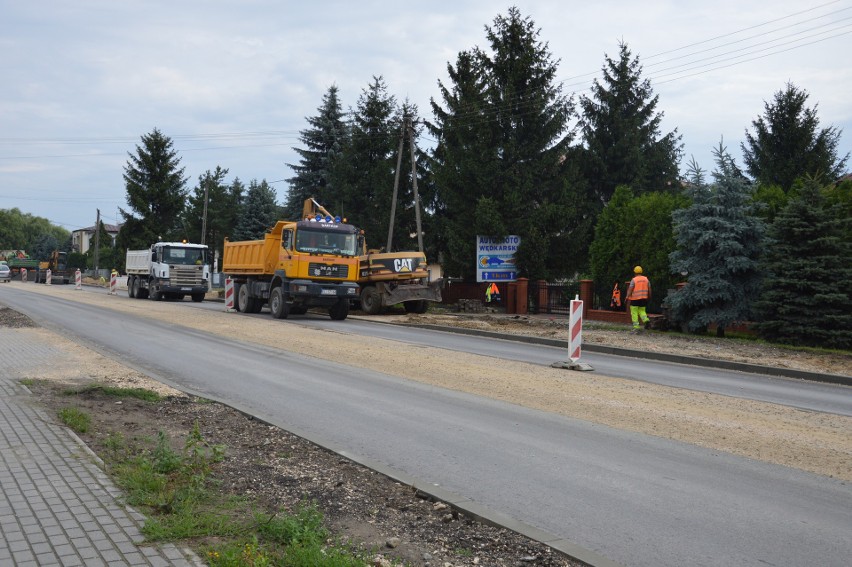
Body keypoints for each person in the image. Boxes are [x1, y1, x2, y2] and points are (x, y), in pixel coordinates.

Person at [626, 265, 651, 331]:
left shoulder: (634, 280)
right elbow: (649, 289)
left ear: (635, 272)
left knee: (634, 312)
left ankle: (636, 327)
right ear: (641, 272)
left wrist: (627, 297)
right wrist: (649, 296)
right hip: (644, 298)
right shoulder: (646, 279)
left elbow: (630, 289)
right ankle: (646, 320)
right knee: (642, 311)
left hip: (635, 299)